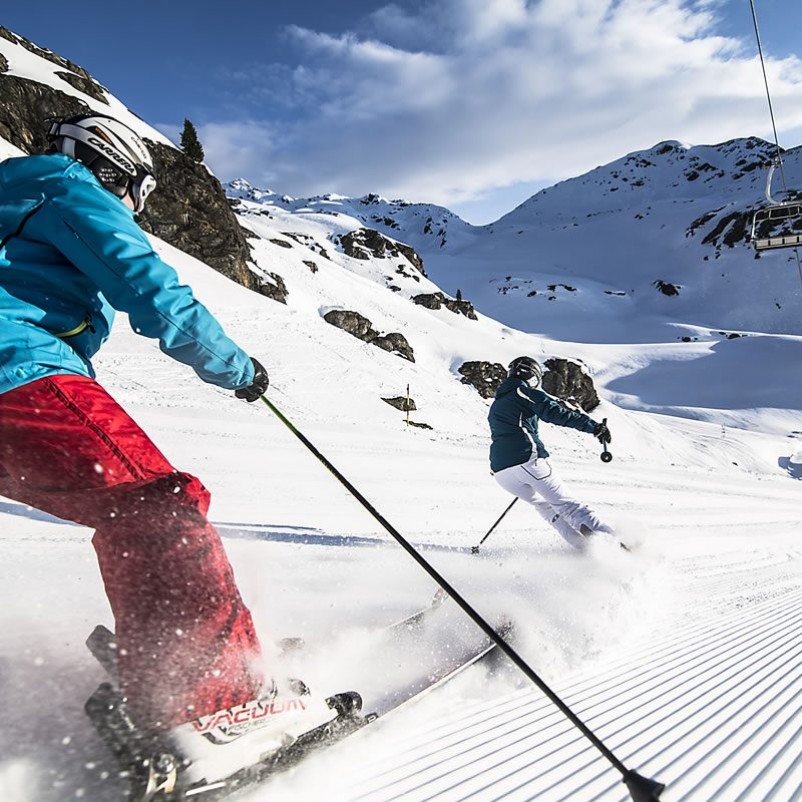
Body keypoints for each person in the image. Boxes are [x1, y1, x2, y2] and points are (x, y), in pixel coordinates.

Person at [0, 114, 335, 780]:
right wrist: (236, 368)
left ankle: (170, 666)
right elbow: (149, 286)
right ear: (113, 168)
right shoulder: (65, 184)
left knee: (130, 514)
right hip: (20, 380)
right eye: (134, 196)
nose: (131, 209)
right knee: (160, 509)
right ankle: (216, 705)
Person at [488, 356, 614, 549]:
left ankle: (586, 550)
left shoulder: (498, 402)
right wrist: (594, 427)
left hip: (502, 471)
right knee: (568, 506)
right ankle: (615, 547)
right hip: (526, 459)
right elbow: (554, 412)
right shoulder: (522, 392)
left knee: (546, 507)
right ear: (532, 375)